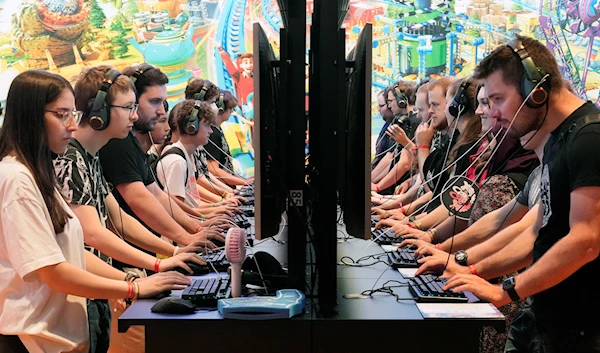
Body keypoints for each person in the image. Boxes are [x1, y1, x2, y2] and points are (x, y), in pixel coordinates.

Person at [0, 70, 189, 353]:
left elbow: (72, 252)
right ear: (31, 117)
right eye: (62, 115)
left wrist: (145, 274)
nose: (72, 126)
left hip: (57, 338)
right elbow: (54, 271)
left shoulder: (37, 174)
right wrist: (134, 287)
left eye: (72, 114)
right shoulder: (17, 179)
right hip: (35, 340)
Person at [445, 35, 600, 351]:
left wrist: (507, 291)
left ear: (536, 90)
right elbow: (536, 233)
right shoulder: (558, 140)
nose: (494, 112)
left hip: (580, 330)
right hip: (547, 318)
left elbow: (585, 241)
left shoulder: (589, 137)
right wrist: (470, 269)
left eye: (499, 99)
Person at [98, 65, 224, 267]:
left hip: (142, 254)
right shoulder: (117, 142)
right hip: (128, 261)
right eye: (154, 102)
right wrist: (185, 240)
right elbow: (138, 199)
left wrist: (197, 230)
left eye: (162, 102)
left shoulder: (128, 141)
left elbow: (157, 195)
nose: (159, 110)